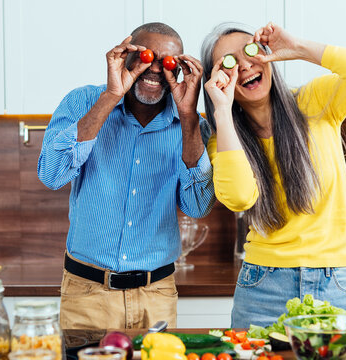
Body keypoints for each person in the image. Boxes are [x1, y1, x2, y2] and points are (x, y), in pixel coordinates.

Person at [201, 22, 346, 328]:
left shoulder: (315, 101)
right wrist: (221, 112)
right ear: (218, 79)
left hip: (341, 281)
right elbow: (238, 197)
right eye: (229, 62)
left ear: (265, 54)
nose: (245, 65)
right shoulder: (223, 139)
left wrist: (300, 49)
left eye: (250, 51)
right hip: (264, 287)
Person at [38, 22, 215, 330]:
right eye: (147, 56)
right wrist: (111, 95)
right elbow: (51, 174)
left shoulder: (192, 127)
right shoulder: (83, 102)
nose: (156, 69)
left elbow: (198, 207)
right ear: (127, 56)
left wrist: (188, 116)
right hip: (87, 293)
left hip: (156, 295)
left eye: (168, 62)